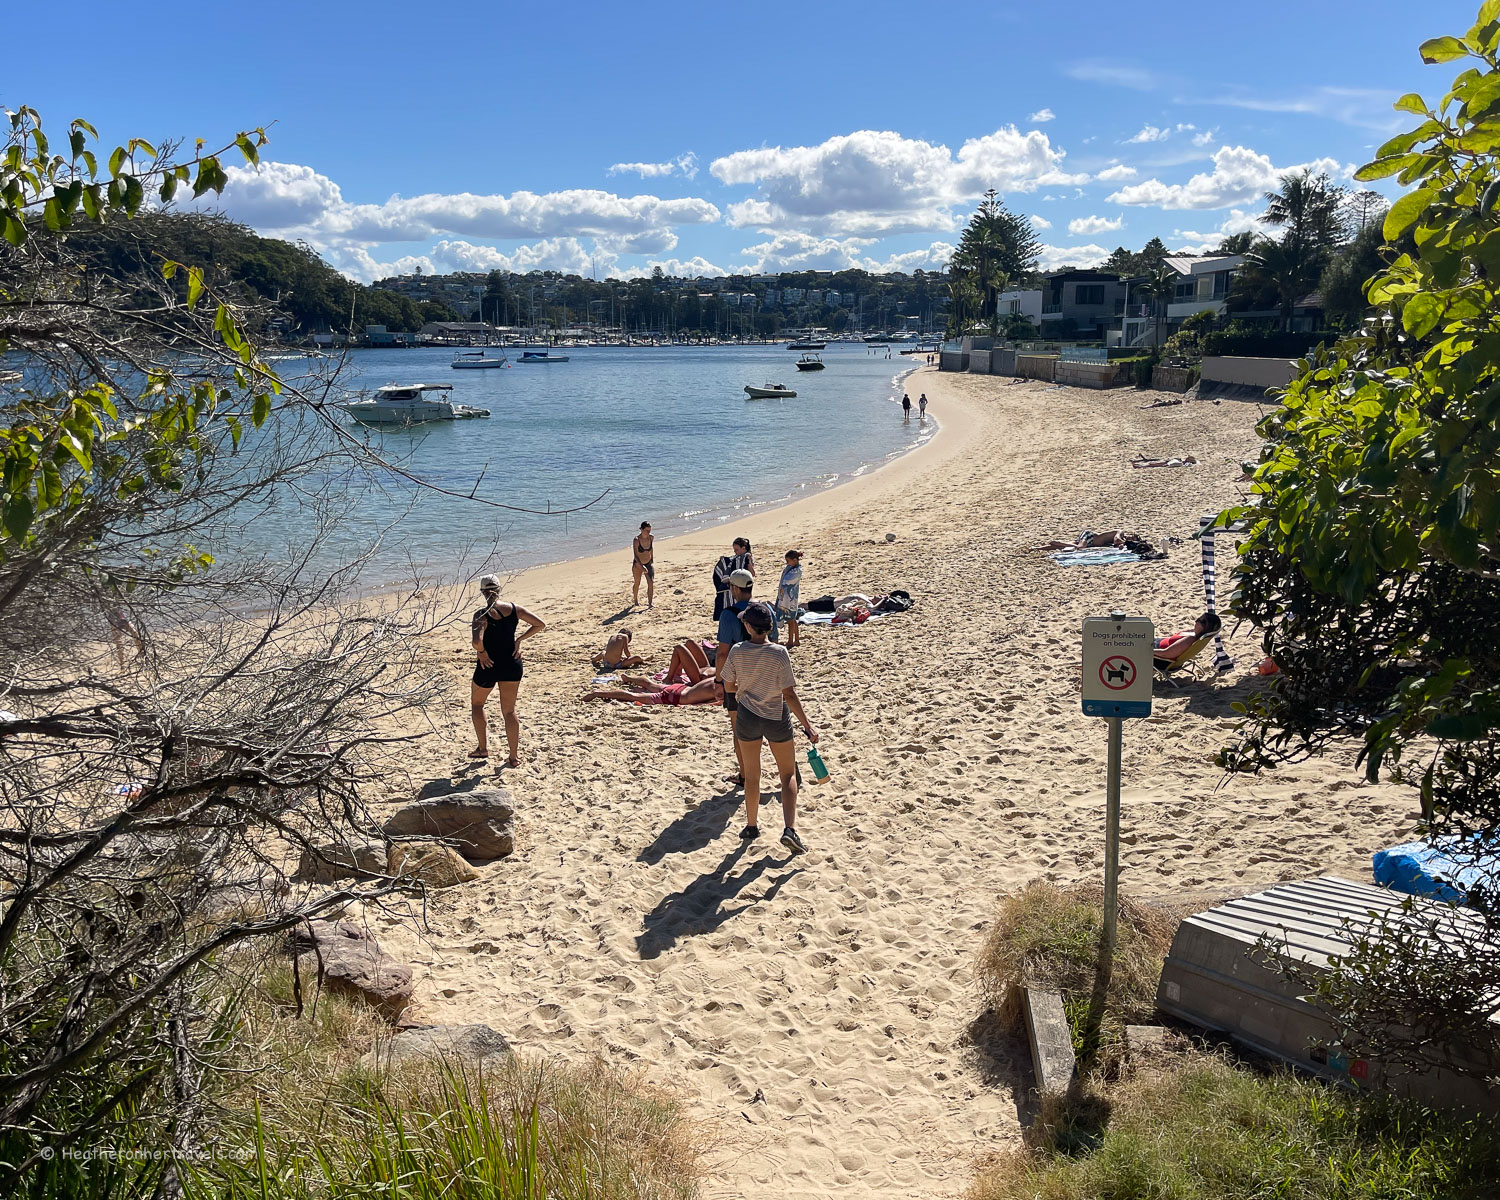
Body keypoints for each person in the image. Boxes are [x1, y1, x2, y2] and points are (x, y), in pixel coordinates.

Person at [721, 601, 818, 853]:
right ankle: (790, 830)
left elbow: (728, 685)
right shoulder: (779, 653)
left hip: (748, 716)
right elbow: (789, 693)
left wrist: (744, 690)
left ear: (749, 627)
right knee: (787, 774)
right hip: (776, 715)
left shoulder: (737, 650)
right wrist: (807, 725)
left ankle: (751, 825)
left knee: (752, 775)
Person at [470, 574, 546, 764]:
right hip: (512, 663)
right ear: (499, 589)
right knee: (509, 711)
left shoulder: (481, 614)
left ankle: (483, 748)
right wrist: (519, 640)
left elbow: (476, 641)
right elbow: (540, 624)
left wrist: (482, 653)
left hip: (489, 665)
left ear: (482, 592)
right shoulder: (514, 609)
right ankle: (513, 756)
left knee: (478, 704)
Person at [714, 568, 778, 786]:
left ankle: (745, 775)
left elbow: (722, 653)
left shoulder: (728, 614)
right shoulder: (765, 609)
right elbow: (774, 641)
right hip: (766, 676)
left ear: (733, 588)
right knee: (774, 728)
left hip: (738, 681)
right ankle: (788, 771)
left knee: (740, 731)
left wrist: (718, 681)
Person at [581, 675, 720, 706]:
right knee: (633, 696)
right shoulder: (728, 689)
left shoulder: (719, 677)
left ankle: (630, 679)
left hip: (680, 688)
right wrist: (694, 705)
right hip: (675, 697)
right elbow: (715, 703)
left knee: (650, 684)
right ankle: (597, 693)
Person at [1154, 612, 1222, 667]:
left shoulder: (1189, 640)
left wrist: (1146, 650)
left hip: (1159, 658)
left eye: (1199, 621)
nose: (1195, 621)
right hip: (1158, 645)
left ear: (1206, 627)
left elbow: (1165, 654)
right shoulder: (1196, 634)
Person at [712, 537, 755, 619]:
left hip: (744, 584)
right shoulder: (735, 559)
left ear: (743, 548)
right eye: (734, 551)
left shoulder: (747, 558)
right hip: (738, 584)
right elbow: (730, 563)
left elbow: (752, 573)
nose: (735, 552)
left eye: (737, 550)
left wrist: (748, 563)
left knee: (742, 600)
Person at [776, 549, 803, 649]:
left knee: (791, 620)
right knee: (792, 619)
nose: (787, 563)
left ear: (795, 560)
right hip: (785, 597)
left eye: (788, 561)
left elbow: (788, 581)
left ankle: (791, 641)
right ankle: (796, 640)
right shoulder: (790, 568)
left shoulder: (797, 570)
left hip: (790, 599)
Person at [632, 521, 655, 608]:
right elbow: (636, 556)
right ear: (641, 529)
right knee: (637, 582)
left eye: (649, 530)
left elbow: (651, 548)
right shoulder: (636, 540)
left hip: (648, 562)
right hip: (638, 564)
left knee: (651, 582)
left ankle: (650, 603)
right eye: (646, 530)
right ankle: (635, 600)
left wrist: (652, 558)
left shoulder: (651, 538)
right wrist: (641, 567)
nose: (648, 532)